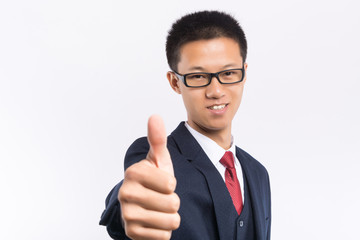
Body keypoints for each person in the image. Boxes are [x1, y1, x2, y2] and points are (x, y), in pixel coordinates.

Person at [100, 10, 271, 240]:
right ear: (175, 82)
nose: (216, 91)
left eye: (229, 73)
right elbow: (133, 194)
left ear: (244, 73)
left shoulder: (258, 174)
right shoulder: (158, 160)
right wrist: (126, 207)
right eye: (198, 77)